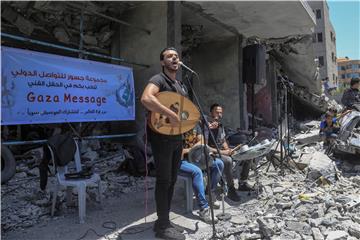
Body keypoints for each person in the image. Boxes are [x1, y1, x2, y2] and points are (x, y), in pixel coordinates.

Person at [141, 47, 187, 240]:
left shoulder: (182, 85)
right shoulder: (159, 79)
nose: (174, 58)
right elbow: (146, 98)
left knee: (173, 180)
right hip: (161, 138)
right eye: (169, 56)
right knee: (164, 180)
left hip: (177, 138)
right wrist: (169, 114)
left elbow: (183, 112)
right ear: (162, 62)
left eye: (176, 56)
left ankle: (164, 220)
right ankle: (162, 227)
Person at [205, 104, 252, 202]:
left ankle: (242, 183)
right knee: (228, 160)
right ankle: (231, 189)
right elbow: (205, 147)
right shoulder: (206, 125)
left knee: (247, 154)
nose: (219, 114)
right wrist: (224, 152)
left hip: (222, 151)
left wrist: (228, 150)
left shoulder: (220, 126)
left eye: (220, 112)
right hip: (211, 152)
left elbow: (223, 141)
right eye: (216, 112)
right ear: (211, 113)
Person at [179, 124, 224, 224]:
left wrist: (192, 150)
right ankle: (203, 209)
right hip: (181, 160)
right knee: (197, 172)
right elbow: (179, 151)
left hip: (196, 158)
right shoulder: (178, 127)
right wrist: (192, 150)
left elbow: (202, 141)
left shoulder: (195, 126)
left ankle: (209, 192)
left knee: (219, 164)